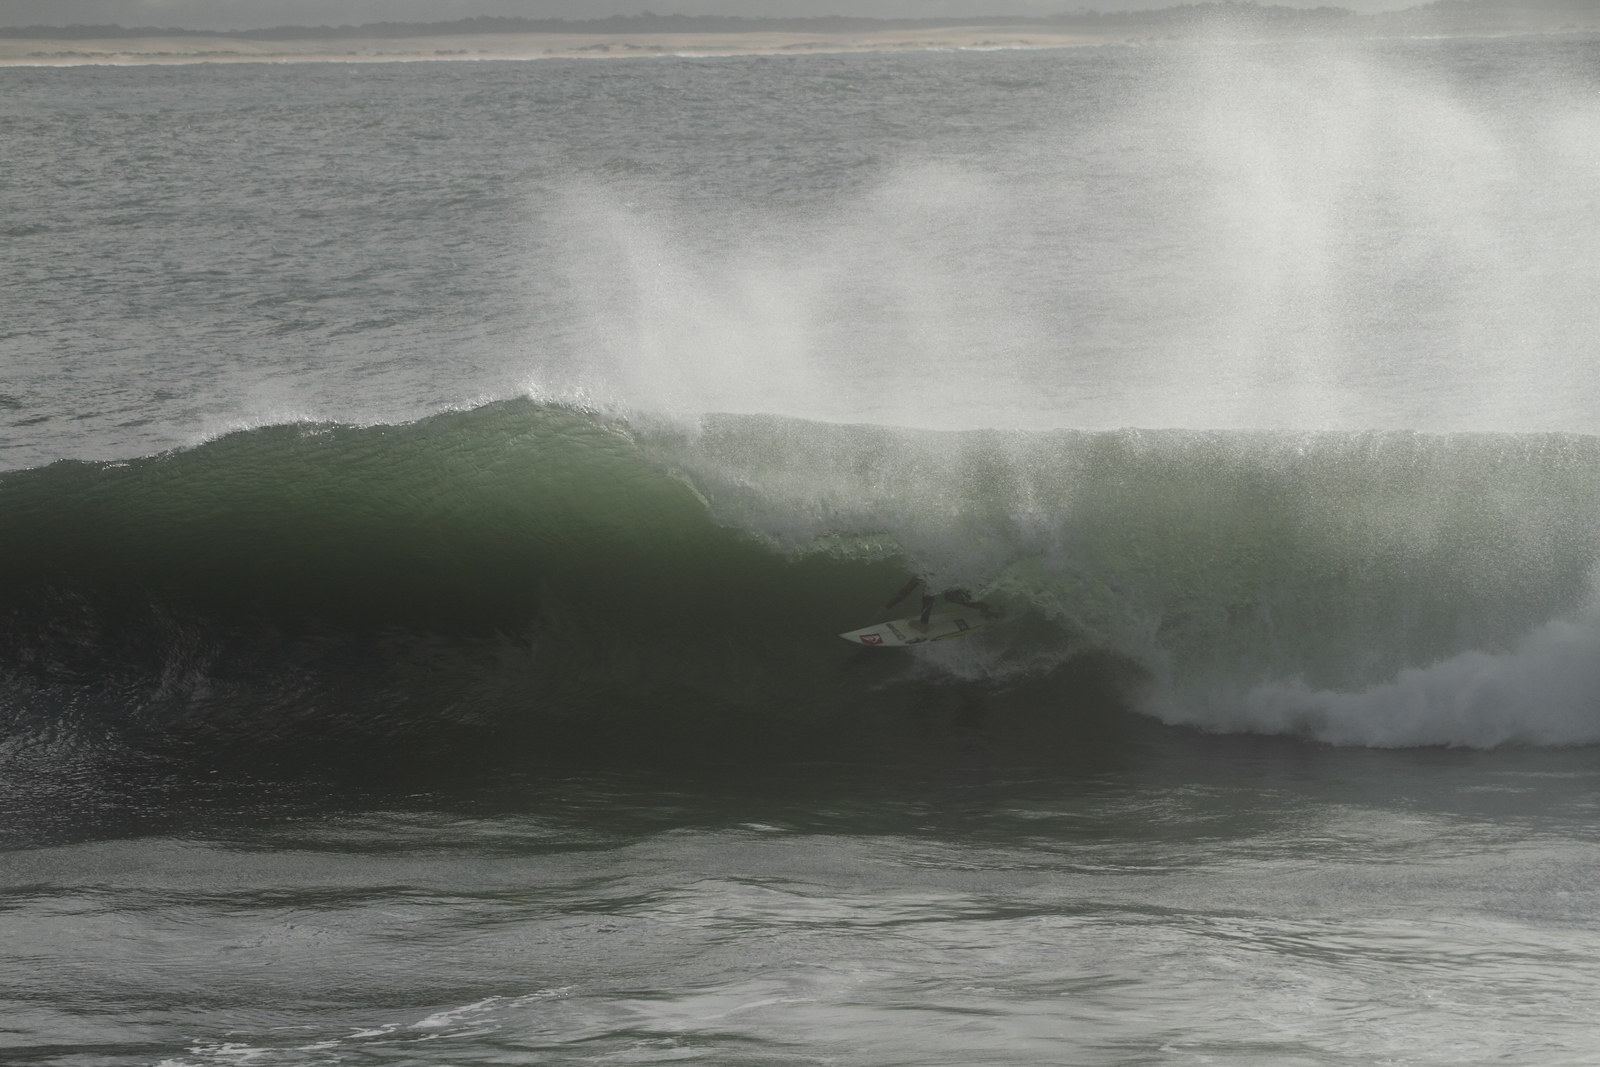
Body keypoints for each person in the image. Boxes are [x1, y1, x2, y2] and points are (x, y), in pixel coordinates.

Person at [884, 576, 1002, 633]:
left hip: (964, 575)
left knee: (930, 587)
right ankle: (987, 608)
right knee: (949, 595)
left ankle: (922, 624)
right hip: (969, 573)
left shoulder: (925, 562)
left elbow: (909, 588)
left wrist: (887, 606)